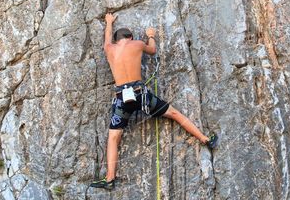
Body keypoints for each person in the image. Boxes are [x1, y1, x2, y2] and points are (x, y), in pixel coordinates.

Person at [90, 13, 218, 190]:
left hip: (122, 98)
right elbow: (152, 50)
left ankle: (110, 178)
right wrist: (150, 35)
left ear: (116, 39)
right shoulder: (137, 44)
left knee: (113, 137)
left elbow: (106, 40)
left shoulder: (109, 49)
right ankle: (205, 139)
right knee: (174, 114)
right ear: (130, 37)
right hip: (141, 95)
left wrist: (109, 22)